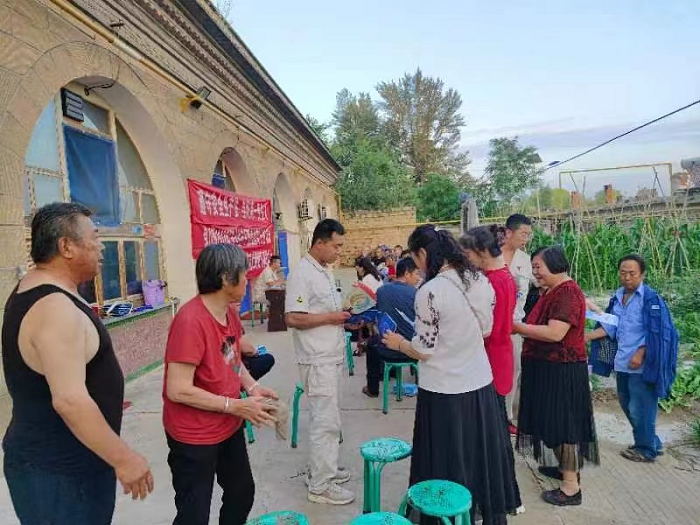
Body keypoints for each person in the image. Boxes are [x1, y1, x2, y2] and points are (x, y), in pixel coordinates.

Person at [2, 202, 153, 525]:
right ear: (66, 247)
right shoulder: (54, 307)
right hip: (60, 477)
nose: (102, 247)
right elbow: (70, 401)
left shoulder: (38, 291)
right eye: (95, 237)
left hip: (61, 469)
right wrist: (123, 458)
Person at [383, 225, 521, 525]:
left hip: (443, 390)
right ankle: (478, 511)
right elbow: (486, 329)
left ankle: (446, 516)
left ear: (423, 253)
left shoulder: (430, 291)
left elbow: (424, 349)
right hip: (479, 385)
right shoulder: (479, 280)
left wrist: (399, 343)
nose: (417, 265)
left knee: (447, 458)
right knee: (476, 454)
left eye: (415, 258)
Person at [163, 243, 279, 525]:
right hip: (194, 435)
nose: (248, 280)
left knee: (241, 493)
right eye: (244, 274)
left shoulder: (228, 313)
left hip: (227, 424)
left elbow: (231, 356)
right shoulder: (190, 321)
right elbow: (177, 389)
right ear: (227, 279)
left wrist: (251, 387)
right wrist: (235, 405)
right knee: (194, 513)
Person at [513, 246, 598, 507]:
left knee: (563, 427)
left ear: (555, 264)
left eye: (538, 267)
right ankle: (564, 468)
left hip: (561, 370)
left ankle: (571, 487)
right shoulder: (553, 290)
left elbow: (555, 333)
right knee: (552, 423)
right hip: (548, 368)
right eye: (534, 267)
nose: (535, 272)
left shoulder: (568, 292)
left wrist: (516, 327)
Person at [285, 219, 354, 505]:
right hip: (317, 360)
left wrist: (344, 315)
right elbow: (293, 317)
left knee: (331, 419)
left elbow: (324, 311)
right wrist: (332, 317)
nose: (339, 252)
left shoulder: (324, 271)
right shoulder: (302, 273)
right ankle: (320, 486)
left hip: (330, 356)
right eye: (336, 246)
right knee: (324, 423)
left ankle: (323, 469)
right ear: (319, 243)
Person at [587, 254, 678, 463]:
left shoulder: (651, 300)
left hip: (642, 365)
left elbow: (658, 332)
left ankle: (645, 450)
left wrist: (641, 352)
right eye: (623, 273)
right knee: (627, 404)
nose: (626, 277)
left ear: (642, 274)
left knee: (641, 408)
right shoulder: (617, 297)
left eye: (632, 273)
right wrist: (586, 336)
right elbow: (610, 327)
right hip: (622, 362)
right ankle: (652, 442)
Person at [460, 226, 517, 407]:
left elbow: (487, 328)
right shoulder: (505, 275)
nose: (468, 260)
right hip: (501, 355)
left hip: (488, 357)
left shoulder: (490, 282)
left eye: (468, 254)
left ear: (482, 252)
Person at [363, 257, 421, 398]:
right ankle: (420, 385)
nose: (418, 278)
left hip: (386, 350)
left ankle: (372, 389)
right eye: (416, 273)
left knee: (372, 343)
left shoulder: (382, 290)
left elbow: (377, 316)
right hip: (412, 350)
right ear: (406, 273)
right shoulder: (417, 294)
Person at [500, 213, 534, 434]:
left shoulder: (526, 261)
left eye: (529, 235)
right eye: (523, 233)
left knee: (513, 370)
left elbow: (542, 283)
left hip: (514, 325)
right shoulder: (491, 256)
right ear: (508, 232)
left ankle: (507, 417)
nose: (526, 238)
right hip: (490, 325)